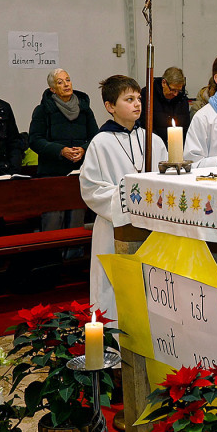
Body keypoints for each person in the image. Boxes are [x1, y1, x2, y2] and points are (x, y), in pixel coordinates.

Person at [80, 75, 166, 321]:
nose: (137, 104)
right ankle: (114, 339)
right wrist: (130, 199)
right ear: (110, 107)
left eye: (138, 98)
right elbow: (91, 189)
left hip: (152, 228)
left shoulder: (152, 140)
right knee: (113, 287)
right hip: (114, 227)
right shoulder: (100, 143)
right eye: (129, 99)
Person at [28, 68, 99, 177]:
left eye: (68, 80)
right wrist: (61, 150)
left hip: (82, 169)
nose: (66, 84)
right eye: (60, 82)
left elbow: (95, 138)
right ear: (52, 89)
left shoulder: (84, 109)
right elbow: (35, 140)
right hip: (52, 172)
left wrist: (83, 149)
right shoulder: (43, 110)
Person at [151, 66, 191, 142]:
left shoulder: (182, 99)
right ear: (164, 83)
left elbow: (186, 127)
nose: (176, 94)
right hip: (155, 144)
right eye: (173, 90)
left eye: (178, 91)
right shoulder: (148, 96)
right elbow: (145, 125)